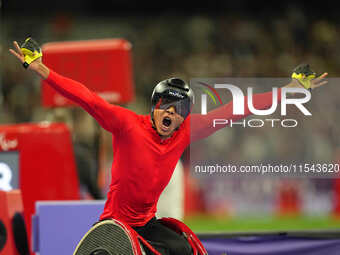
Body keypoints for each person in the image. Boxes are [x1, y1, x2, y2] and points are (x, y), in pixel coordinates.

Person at [9, 38, 328, 255]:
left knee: (185, 248)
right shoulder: (127, 124)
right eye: (166, 106)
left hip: (148, 225)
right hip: (114, 226)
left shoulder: (187, 131)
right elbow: (87, 97)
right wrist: (41, 69)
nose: (172, 114)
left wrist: (289, 89)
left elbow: (239, 109)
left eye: (179, 110)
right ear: (155, 106)